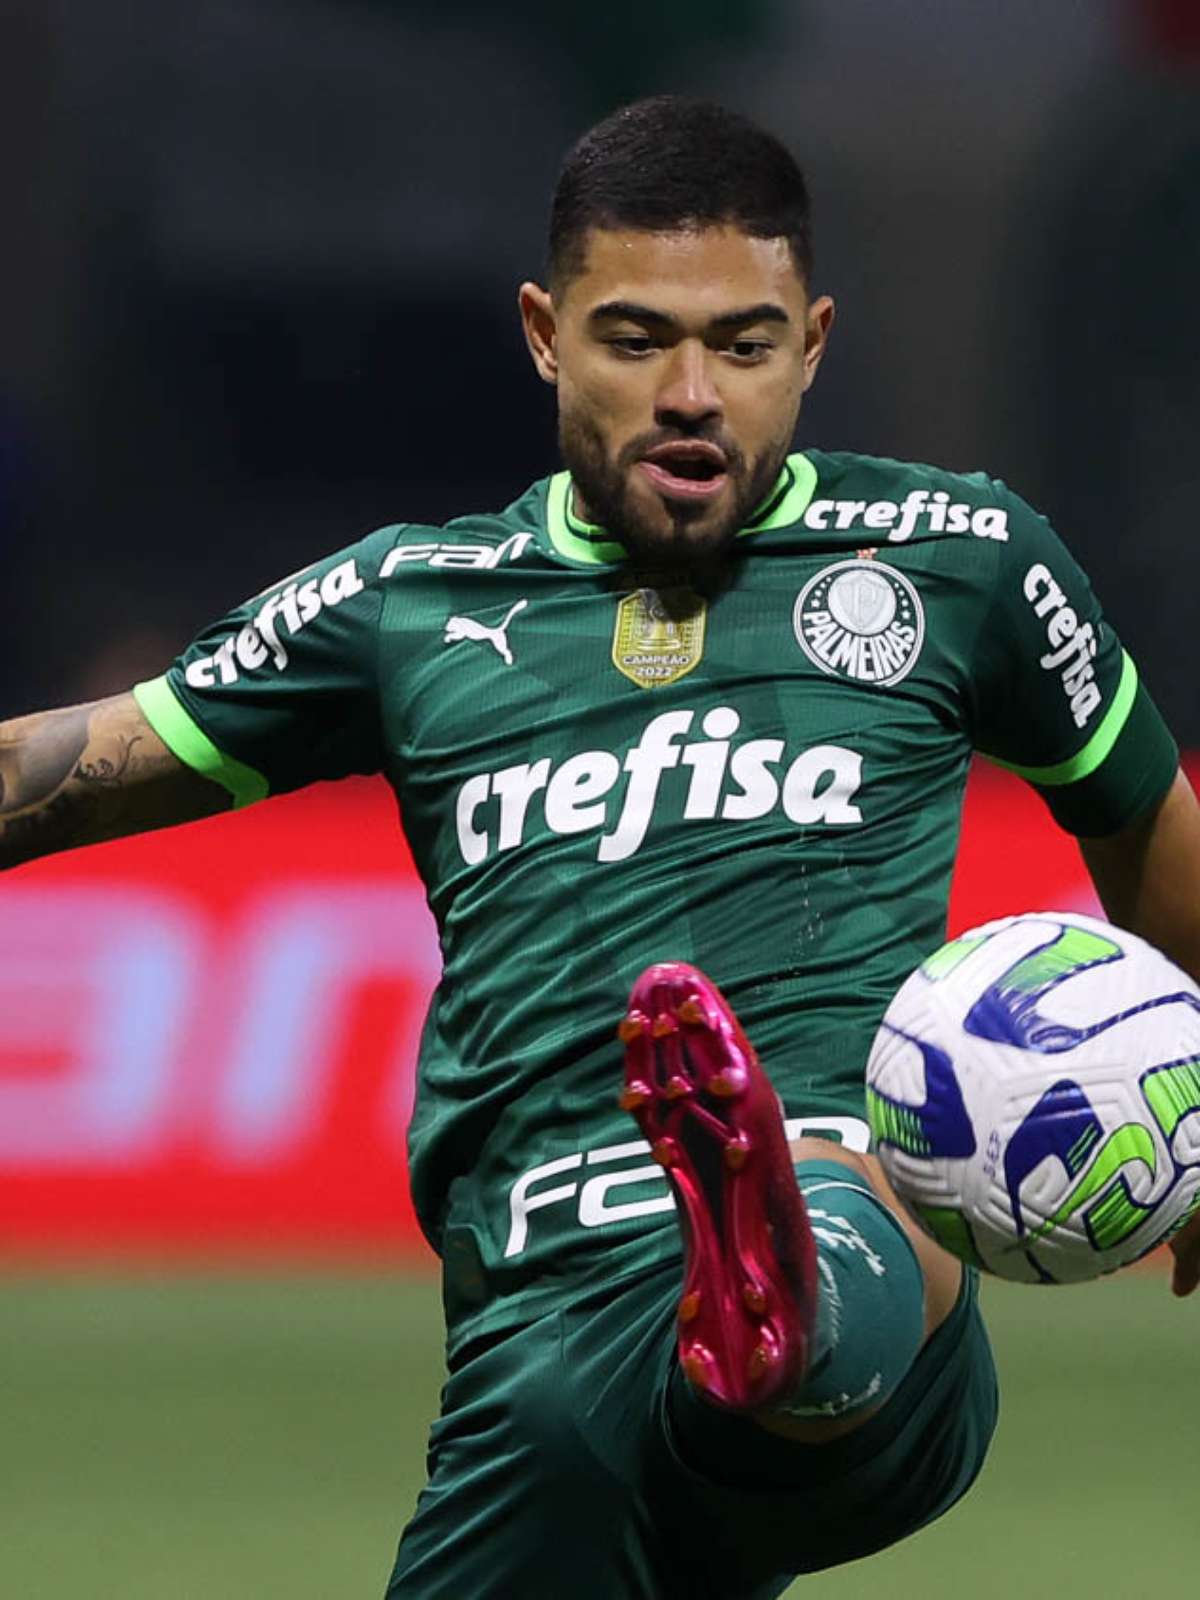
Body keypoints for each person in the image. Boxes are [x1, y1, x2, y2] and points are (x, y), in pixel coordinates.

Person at [3, 96, 1200, 1599]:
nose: (693, 391)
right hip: (547, 1324)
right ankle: (759, 1294)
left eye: (746, 344)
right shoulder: (410, 603)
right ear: (542, 333)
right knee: (584, 1411)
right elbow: (71, 765)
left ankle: (782, 1289)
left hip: (870, 1308)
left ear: (814, 343)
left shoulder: (956, 564)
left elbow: (1145, 815)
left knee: (850, 1191)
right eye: (636, 339)